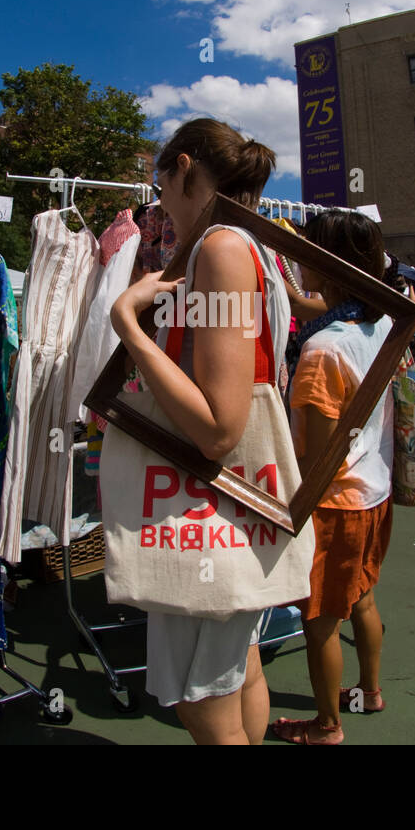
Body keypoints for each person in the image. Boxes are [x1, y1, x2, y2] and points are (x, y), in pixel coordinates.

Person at [109, 118, 296, 745]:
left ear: (182, 168)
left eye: (161, 184)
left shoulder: (219, 249)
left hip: (207, 507)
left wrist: (129, 324)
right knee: (237, 669)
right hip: (235, 511)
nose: (158, 202)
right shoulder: (253, 248)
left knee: (201, 702)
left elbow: (219, 428)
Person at [272, 209, 395, 746]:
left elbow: (316, 461)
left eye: (309, 253)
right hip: (374, 491)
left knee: (320, 618)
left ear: (331, 263)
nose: (301, 263)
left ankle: (326, 726)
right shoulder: (380, 323)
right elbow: (310, 305)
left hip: (335, 503)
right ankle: (369, 691)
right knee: (362, 598)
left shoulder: (321, 352)